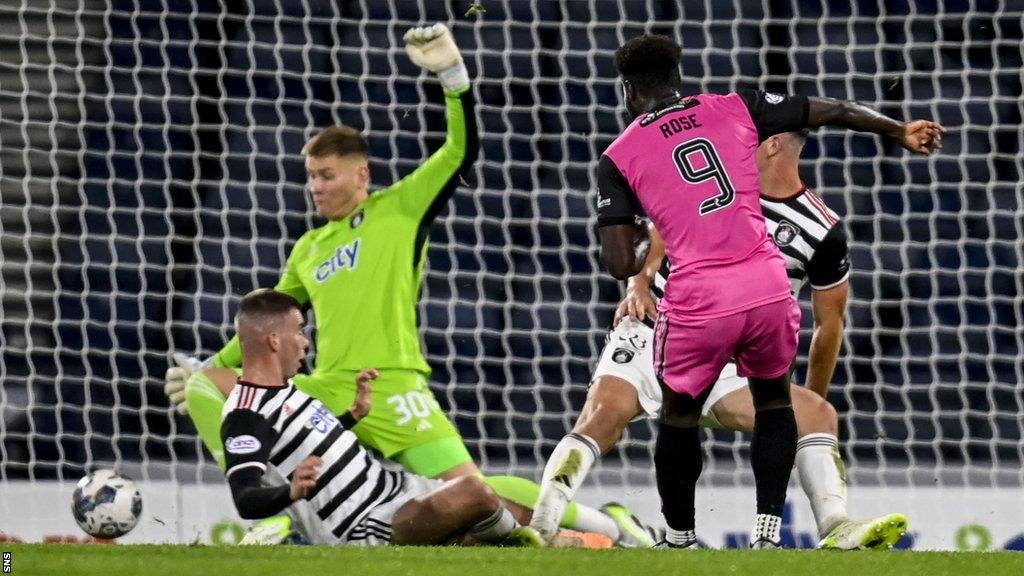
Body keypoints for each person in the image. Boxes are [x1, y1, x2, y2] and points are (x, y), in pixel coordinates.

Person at [164, 23, 651, 546]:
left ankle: (608, 523)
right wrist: (215, 366)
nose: (316, 187)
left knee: (470, 490)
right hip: (327, 390)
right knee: (204, 388)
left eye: (327, 175)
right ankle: (277, 514)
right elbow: (266, 323)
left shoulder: (399, 208)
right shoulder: (308, 248)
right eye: (310, 176)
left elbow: (459, 152)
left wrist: (452, 77)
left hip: (393, 386)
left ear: (361, 175)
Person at [594, 34, 944, 548]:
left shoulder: (620, 154)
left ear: (628, 91)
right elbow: (835, 110)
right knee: (776, 403)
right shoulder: (736, 106)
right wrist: (898, 130)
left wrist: (638, 240)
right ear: (679, 76)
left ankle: (680, 537)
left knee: (679, 416)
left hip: (699, 296)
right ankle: (767, 537)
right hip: (766, 285)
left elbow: (621, 261)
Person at [530, 129, 907, 550]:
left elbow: (829, 325)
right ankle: (543, 524)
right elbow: (657, 236)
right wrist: (639, 284)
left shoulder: (822, 230)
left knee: (819, 416)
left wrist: (801, 408)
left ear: (773, 144)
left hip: (732, 361)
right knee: (602, 415)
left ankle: (836, 526)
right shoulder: (715, 183)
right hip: (654, 330)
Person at [219, 289, 555, 546]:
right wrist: (290, 492)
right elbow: (245, 498)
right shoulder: (246, 412)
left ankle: (570, 543)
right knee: (474, 492)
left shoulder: (285, 388)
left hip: (395, 489)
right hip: (369, 522)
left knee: (522, 513)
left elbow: (311, 437)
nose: (306, 343)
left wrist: (352, 416)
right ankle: (516, 542)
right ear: (274, 340)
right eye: (300, 331)